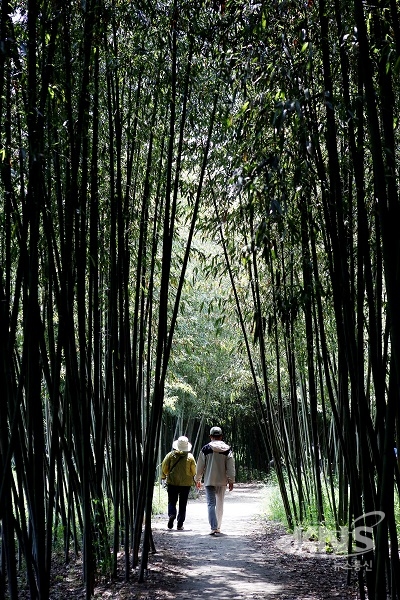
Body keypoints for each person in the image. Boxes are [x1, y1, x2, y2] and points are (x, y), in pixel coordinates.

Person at [195, 426, 235, 536]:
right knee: (220, 504)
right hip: (222, 481)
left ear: (210, 436)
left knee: (211, 504)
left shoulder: (205, 448)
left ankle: (213, 527)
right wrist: (231, 480)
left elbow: (200, 467)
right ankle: (218, 527)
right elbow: (230, 466)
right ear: (221, 436)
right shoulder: (227, 449)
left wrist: (197, 479)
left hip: (209, 480)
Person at [161, 435, 196, 530]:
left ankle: (172, 514)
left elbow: (164, 467)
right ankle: (180, 523)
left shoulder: (170, 455)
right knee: (183, 503)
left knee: (172, 501)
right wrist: (195, 479)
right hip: (186, 484)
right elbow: (194, 471)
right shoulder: (190, 457)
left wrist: (164, 476)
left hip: (172, 482)